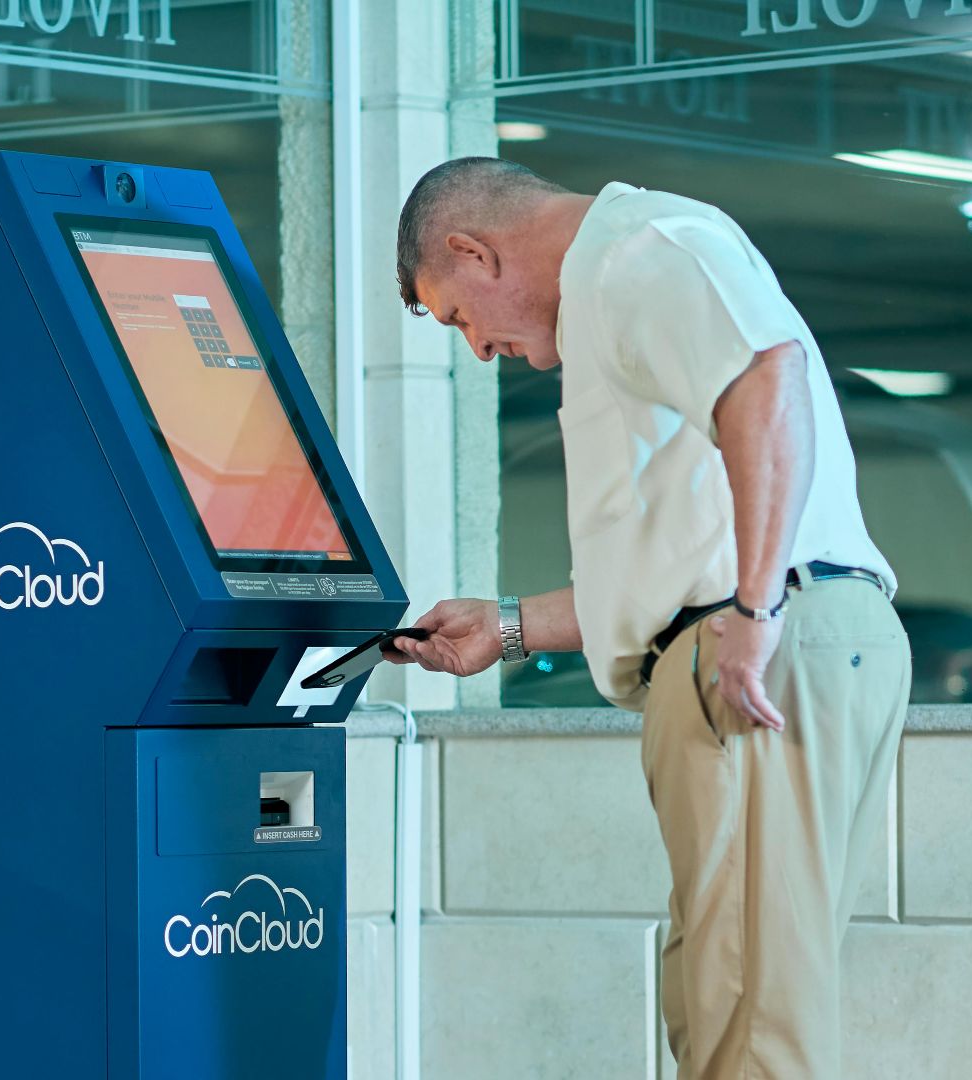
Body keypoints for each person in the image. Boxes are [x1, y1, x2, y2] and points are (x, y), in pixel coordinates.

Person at [385, 157, 911, 1078]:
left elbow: (767, 380)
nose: (475, 348)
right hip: (759, 635)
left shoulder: (640, 253)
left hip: (755, 647)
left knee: (747, 1017)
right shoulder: (613, 285)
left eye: (458, 315)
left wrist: (754, 607)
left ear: (475, 251)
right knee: (723, 996)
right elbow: (673, 557)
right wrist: (508, 628)